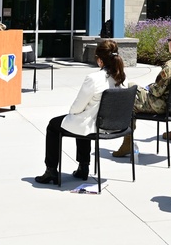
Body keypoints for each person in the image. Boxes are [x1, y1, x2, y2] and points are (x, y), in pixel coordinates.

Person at [34, 39, 127, 184]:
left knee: (54, 125)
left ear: (100, 60)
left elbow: (77, 107)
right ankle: (83, 167)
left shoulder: (94, 78)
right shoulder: (121, 78)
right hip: (114, 125)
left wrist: (73, 113)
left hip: (95, 126)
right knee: (83, 121)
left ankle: (51, 170)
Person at [112, 29, 171, 157]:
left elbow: (156, 92)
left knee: (130, 94)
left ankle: (127, 142)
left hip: (163, 106)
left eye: (169, 40)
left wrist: (147, 88)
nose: (167, 43)